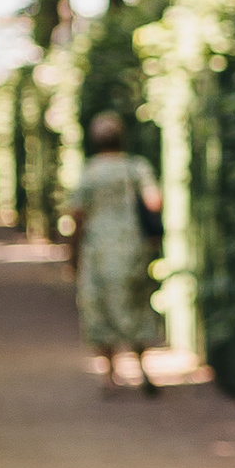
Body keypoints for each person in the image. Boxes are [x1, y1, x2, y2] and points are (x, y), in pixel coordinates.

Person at [70, 110, 162, 393]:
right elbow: (154, 202)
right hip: (133, 247)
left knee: (100, 308)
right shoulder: (137, 167)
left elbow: (77, 213)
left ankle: (110, 376)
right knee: (136, 305)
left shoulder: (89, 172)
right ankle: (143, 369)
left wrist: (71, 250)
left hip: (98, 249)